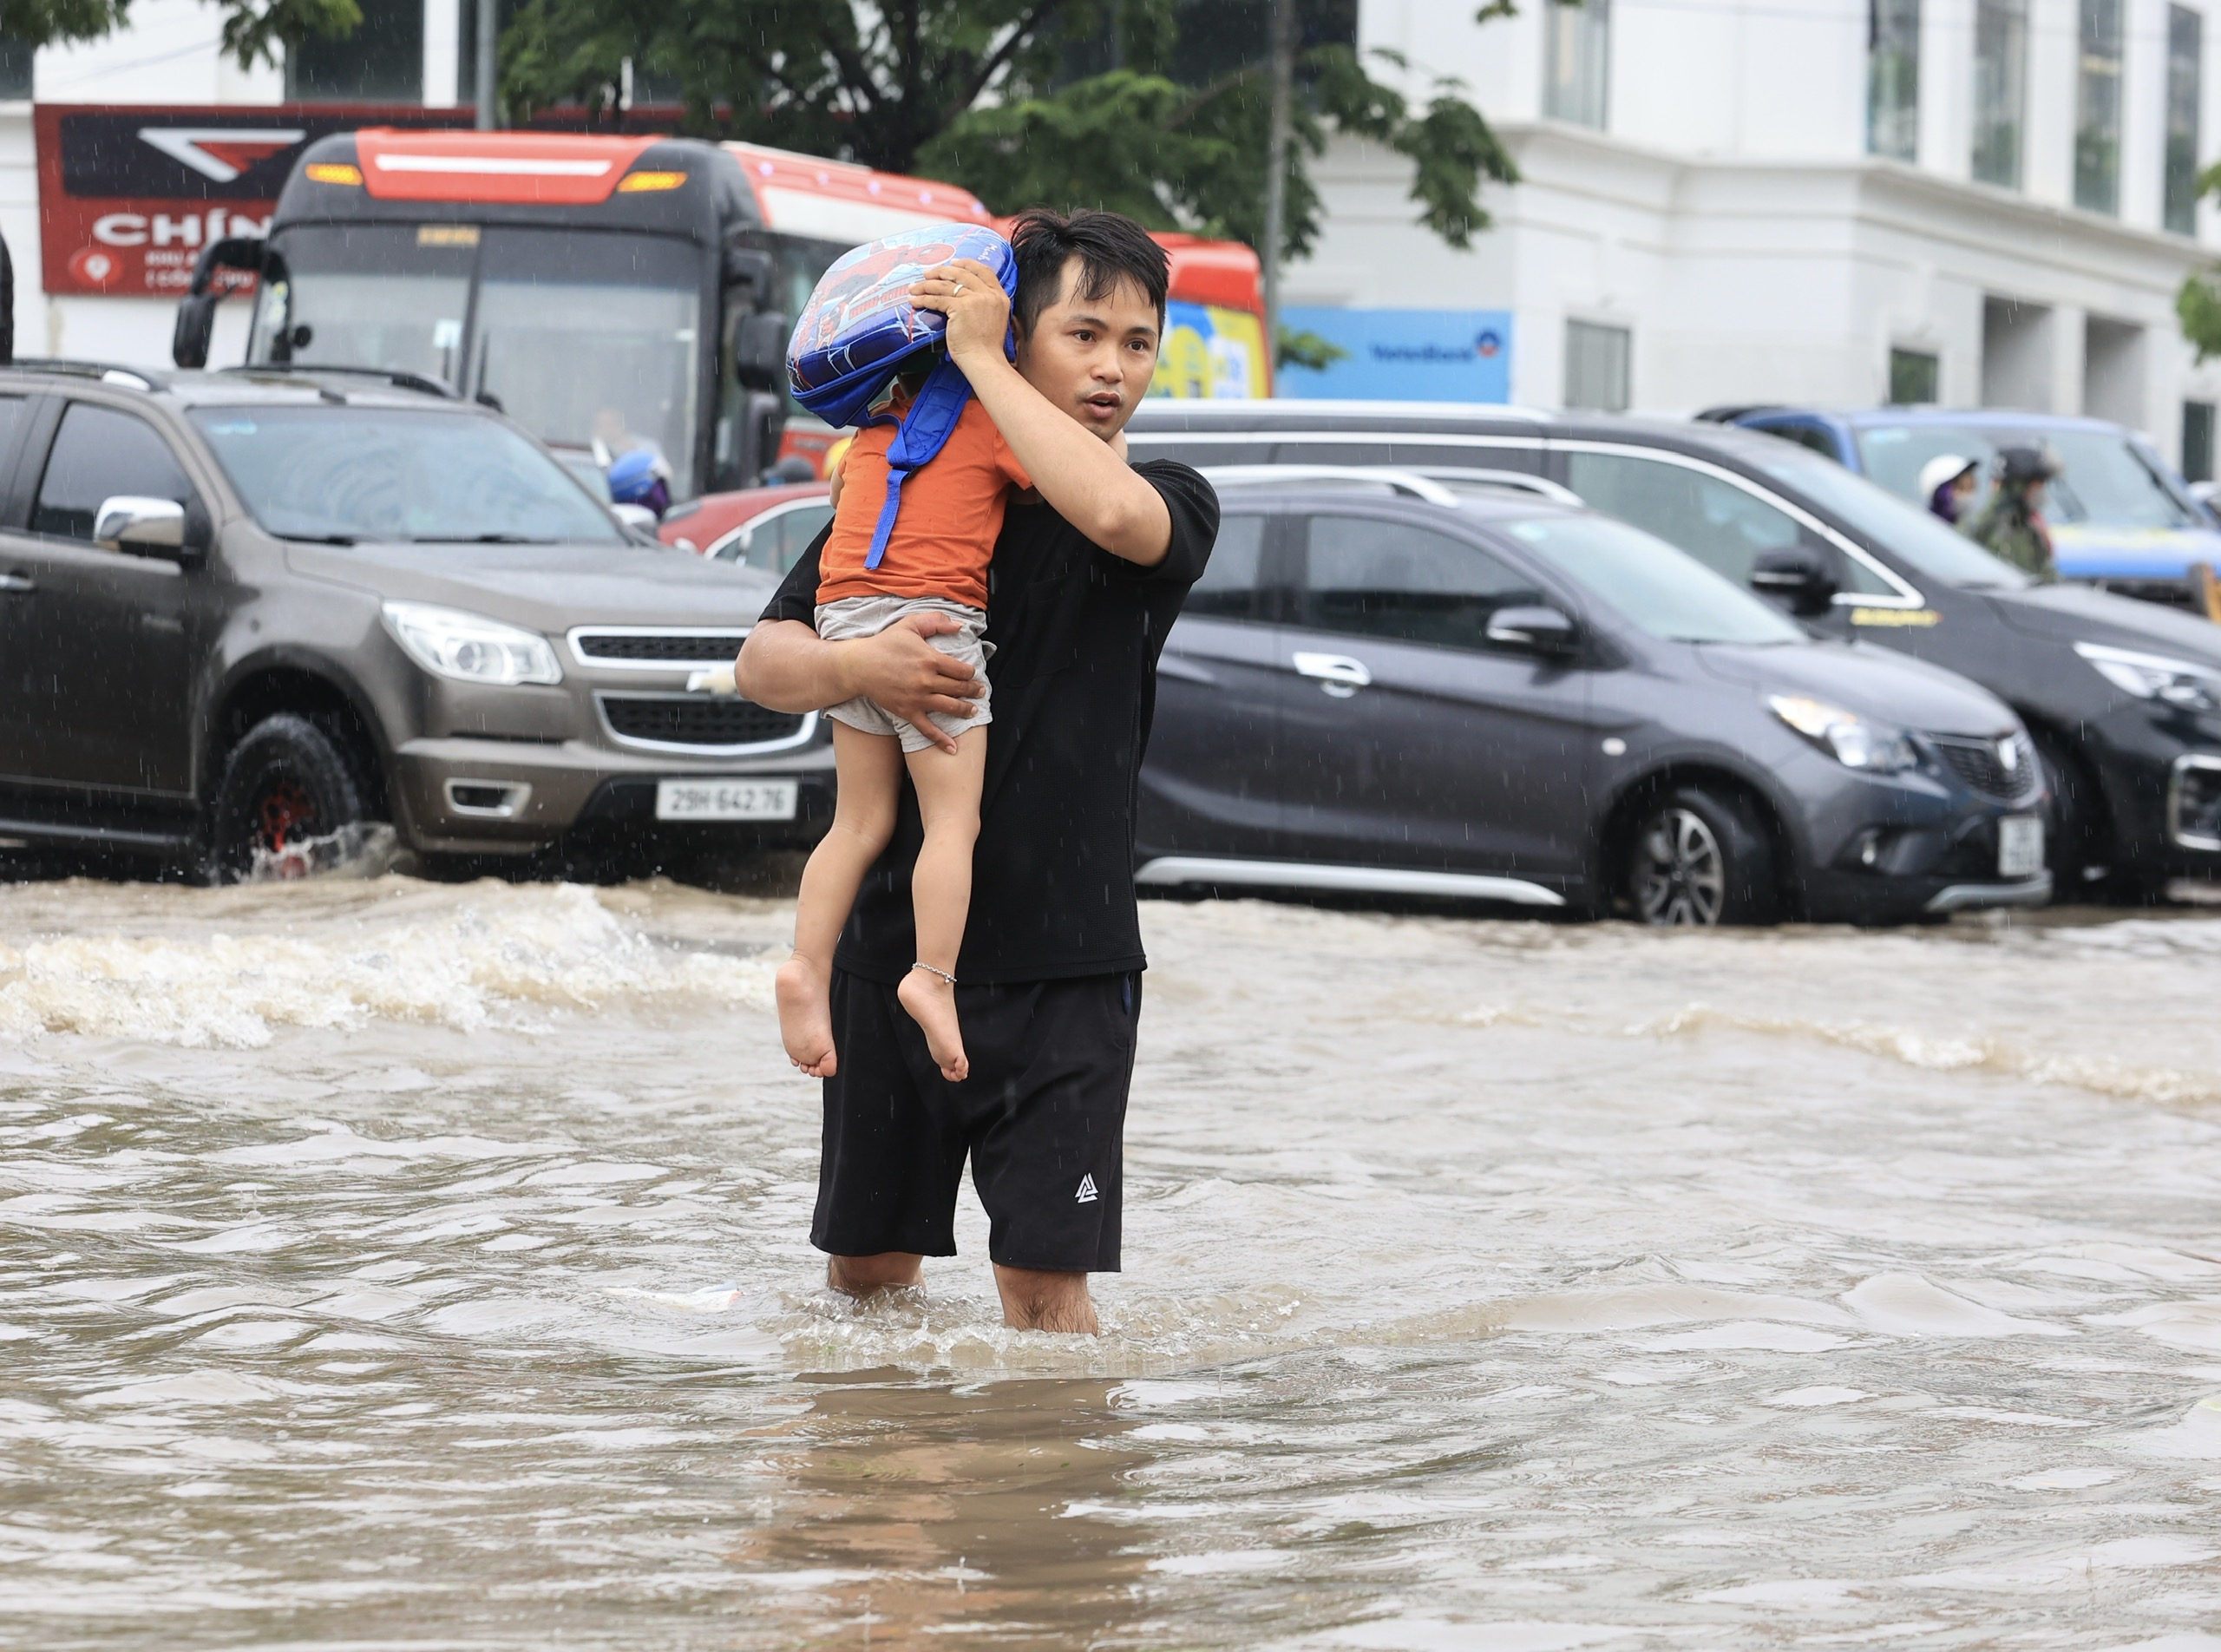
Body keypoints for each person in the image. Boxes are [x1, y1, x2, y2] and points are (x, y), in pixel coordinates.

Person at [736, 208, 1217, 1335]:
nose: (1112, 368)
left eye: (1137, 343)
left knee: (1044, 1298)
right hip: (889, 958)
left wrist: (973, 361)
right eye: (1083, 333)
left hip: (1067, 973)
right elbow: (762, 662)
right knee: (865, 1286)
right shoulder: (914, 488)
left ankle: (1038, 1506)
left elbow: (1108, 507)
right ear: (1018, 329)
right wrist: (864, 665)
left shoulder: (1168, 502)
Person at [773, 234, 1035, 1088]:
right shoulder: (995, 422)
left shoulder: (872, 433)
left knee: (856, 822)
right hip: (932, 627)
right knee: (951, 821)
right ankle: (932, 974)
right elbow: (1071, 479)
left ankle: (806, 965)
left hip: (845, 624)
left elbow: (847, 513)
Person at [1962, 443, 2061, 580]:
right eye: (2038, 485)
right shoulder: (1985, 529)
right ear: (2019, 486)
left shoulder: (2029, 532)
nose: (2041, 492)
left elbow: (2047, 577)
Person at [1918, 452, 1979, 525]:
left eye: (1970, 489)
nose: (1966, 496)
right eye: (1961, 488)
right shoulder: (1928, 524)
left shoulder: (1967, 525)